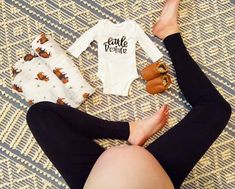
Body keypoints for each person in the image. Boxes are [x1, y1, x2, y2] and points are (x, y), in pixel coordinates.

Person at [26, 0, 232, 188]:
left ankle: (129, 130)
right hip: (158, 172)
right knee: (216, 109)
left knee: (40, 114)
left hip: (93, 176)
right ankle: (169, 33)